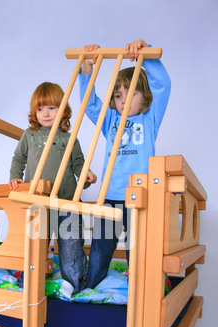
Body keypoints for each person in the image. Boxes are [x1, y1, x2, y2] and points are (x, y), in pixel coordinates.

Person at [79, 39, 171, 288]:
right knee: (100, 246)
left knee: (137, 248)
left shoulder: (149, 118)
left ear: (146, 97)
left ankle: (139, 290)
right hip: (110, 195)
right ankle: (92, 287)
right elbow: (89, 102)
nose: (123, 99)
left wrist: (147, 54)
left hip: (140, 195)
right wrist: (87, 69)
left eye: (131, 93)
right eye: (118, 95)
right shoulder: (109, 119)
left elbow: (163, 84)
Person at [9, 81, 97, 294]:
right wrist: (15, 177)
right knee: (35, 246)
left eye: (51, 108)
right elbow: (18, 158)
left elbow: (78, 163)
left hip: (67, 201)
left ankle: (74, 287)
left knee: (71, 247)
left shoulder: (69, 138)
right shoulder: (29, 135)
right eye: (40, 109)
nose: (45, 113)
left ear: (63, 110)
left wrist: (86, 175)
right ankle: (29, 285)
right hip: (37, 202)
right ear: (34, 112)